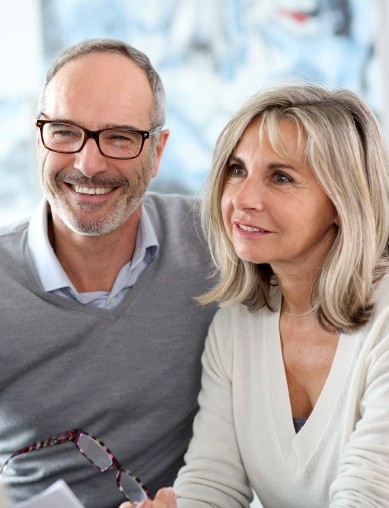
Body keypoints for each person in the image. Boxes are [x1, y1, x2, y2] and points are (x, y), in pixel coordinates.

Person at [120, 83, 389, 508]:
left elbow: (368, 498)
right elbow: (214, 484)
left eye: (281, 177)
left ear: (342, 201)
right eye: (237, 169)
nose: (242, 199)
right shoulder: (236, 324)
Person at [0, 38, 217, 508]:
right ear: (39, 135)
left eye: (119, 137)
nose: (88, 164)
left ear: (157, 151)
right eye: (63, 131)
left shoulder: (217, 246)